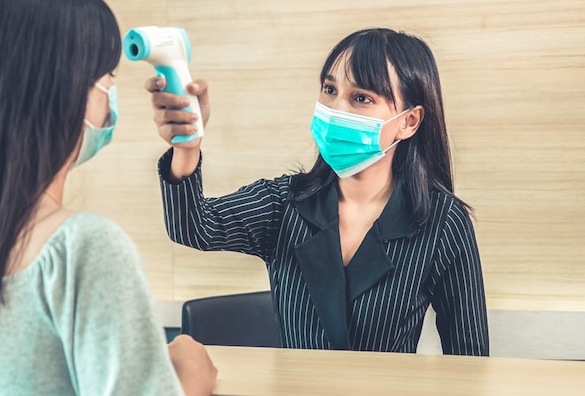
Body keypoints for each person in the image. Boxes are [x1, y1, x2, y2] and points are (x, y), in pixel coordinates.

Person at [147, 27, 490, 356]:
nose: (336, 109)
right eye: (329, 90)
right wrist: (186, 148)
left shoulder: (443, 222)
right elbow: (193, 226)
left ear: (409, 121)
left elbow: (469, 358)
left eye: (360, 98)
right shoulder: (284, 203)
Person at [0, 0, 216, 395]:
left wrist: (187, 154)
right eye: (107, 77)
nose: (111, 94)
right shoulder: (83, 249)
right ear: (62, 89)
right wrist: (189, 380)